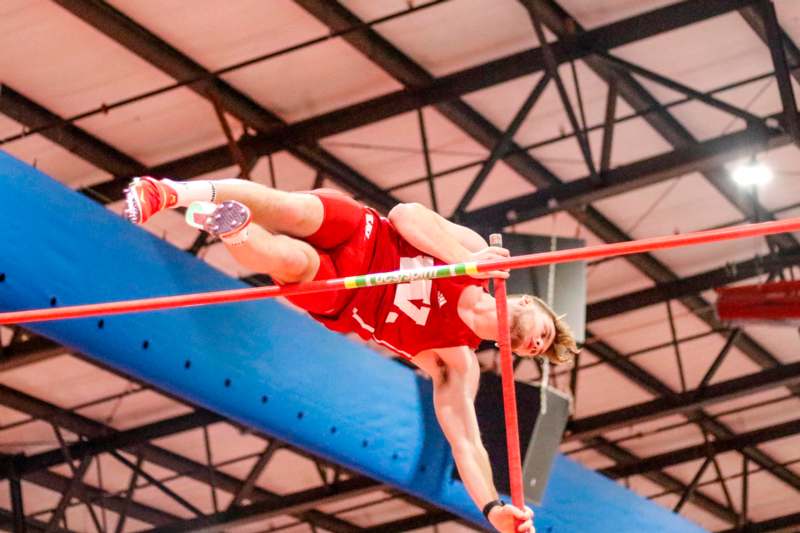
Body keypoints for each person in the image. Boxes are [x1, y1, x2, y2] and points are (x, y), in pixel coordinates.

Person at [125, 176, 579, 533]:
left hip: (347, 298)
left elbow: (466, 442)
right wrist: (465, 260)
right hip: (365, 234)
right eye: (542, 333)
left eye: (535, 349)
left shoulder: (455, 360)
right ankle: (168, 193)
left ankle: (233, 226)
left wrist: (492, 508)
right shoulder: (475, 253)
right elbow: (407, 215)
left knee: (289, 261)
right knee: (291, 208)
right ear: (523, 301)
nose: (536, 345)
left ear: (508, 349)